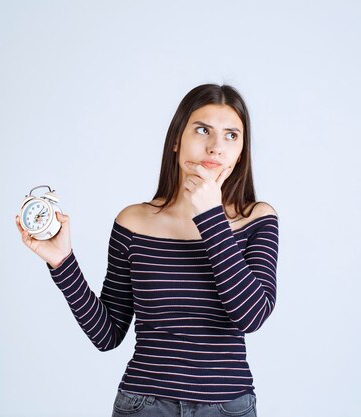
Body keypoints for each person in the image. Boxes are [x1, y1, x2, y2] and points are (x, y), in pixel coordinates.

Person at [15, 84, 279, 417]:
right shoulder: (134, 221)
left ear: (241, 151)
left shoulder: (257, 219)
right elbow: (107, 334)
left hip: (227, 406)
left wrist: (212, 216)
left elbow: (251, 316)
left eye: (231, 136)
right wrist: (62, 263)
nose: (215, 147)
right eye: (202, 130)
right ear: (176, 140)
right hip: (144, 405)